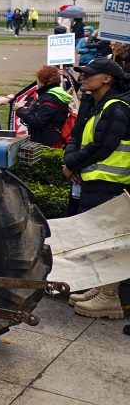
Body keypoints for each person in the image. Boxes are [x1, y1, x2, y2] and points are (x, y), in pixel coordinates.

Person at [62, 58, 130, 318]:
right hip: (96, 181)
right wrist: (72, 161)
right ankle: (99, 289)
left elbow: (103, 145)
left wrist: (72, 164)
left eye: (90, 74)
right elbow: (77, 136)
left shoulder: (116, 107)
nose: (83, 77)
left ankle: (109, 297)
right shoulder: (95, 103)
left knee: (109, 240)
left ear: (107, 79)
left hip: (111, 183)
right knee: (97, 238)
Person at [15, 65, 74, 147]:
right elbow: (42, 115)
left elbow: (37, 122)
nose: (37, 82)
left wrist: (20, 110)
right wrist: (26, 115)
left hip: (48, 143)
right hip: (51, 138)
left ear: (44, 81)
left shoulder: (49, 99)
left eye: (38, 79)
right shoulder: (57, 94)